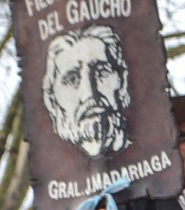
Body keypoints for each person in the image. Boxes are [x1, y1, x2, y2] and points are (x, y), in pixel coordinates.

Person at [42, 25, 131, 158]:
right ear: (51, 99)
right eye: (72, 79)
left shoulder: (152, 155)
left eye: (102, 72)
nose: (89, 94)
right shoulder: (53, 172)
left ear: (122, 82)